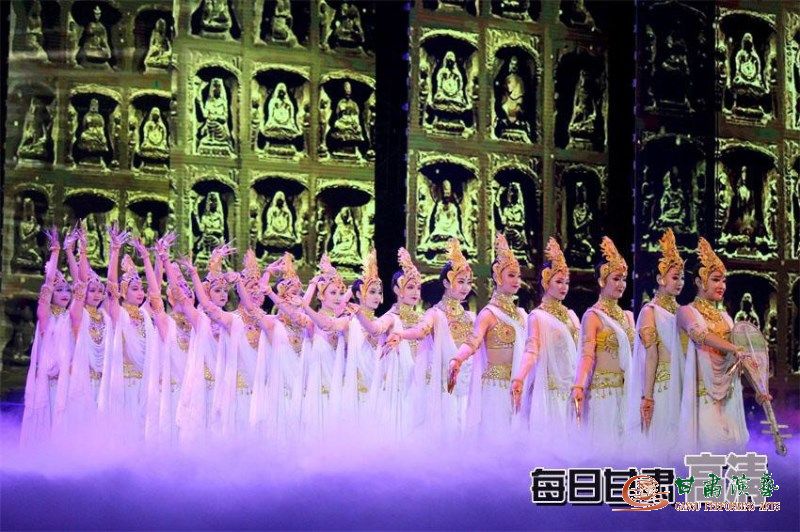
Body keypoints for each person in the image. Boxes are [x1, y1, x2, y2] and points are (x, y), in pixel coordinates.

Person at [512, 238, 579, 445]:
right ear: (545, 282)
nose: (564, 287)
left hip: (570, 390)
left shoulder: (571, 316)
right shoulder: (537, 316)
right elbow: (532, 351)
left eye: (566, 282)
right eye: (558, 282)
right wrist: (519, 378)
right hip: (549, 391)